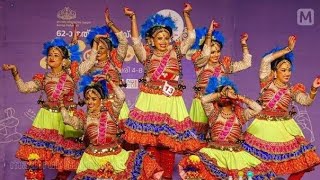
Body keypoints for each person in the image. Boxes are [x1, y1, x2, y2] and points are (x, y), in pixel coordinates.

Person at [2, 31, 99, 179]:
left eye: (56, 54)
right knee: (34, 158)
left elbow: (91, 62)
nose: (51, 57)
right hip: (45, 120)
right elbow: (24, 88)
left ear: (64, 60)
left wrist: (95, 43)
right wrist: (15, 73)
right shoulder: (43, 78)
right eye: (50, 54)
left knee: (64, 162)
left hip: (66, 119)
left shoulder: (73, 74)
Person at [123, 3, 202, 179]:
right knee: (151, 142)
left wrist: (186, 15)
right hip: (150, 101)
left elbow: (191, 36)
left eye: (167, 37)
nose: (164, 41)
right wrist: (133, 19)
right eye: (160, 38)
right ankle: (152, 175)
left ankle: (166, 176)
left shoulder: (176, 52)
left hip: (171, 101)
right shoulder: (146, 55)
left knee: (168, 143)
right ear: (151, 40)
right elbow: (135, 41)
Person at [243, 35, 320, 180]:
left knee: (305, 160)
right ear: (274, 72)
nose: (287, 73)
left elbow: (306, 101)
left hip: (284, 128)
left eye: (289, 70)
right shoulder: (266, 83)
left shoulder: (292, 90)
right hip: (263, 127)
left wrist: (313, 90)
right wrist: (288, 49)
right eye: (283, 70)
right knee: (258, 164)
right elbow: (266, 60)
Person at [61, 74, 163, 180]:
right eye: (87, 99)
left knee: (144, 162)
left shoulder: (111, 112)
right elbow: (67, 120)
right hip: (93, 161)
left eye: (93, 99)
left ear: (101, 99)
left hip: (116, 157)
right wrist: (61, 103)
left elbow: (121, 97)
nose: (90, 102)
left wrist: (110, 81)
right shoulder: (84, 119)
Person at [179, 76, 276, 180]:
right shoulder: (213, 112)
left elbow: (258, 108)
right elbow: (204, 99)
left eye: (230, 92)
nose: (227, 94)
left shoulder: (241, 114)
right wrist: (222, 93)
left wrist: (239, 97)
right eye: (223, 92)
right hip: (213, 153)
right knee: (193, 164)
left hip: (234, 155)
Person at [188, 20, 252, 141]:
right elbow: (205, 54)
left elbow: (246, 63)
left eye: (218, 51)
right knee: (198, 138)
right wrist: (209, 34)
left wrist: (244, 45)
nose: (216, 55)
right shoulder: (200, 64)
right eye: (212, 52)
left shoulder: (224, 65)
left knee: (215, 136)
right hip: (202, 103)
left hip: (219, 105)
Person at [85, 8, 133, 150]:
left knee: (123, 142)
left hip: (116, 106)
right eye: (96, 47)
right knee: (99, 142)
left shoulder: (116, 62)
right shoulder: (89, 68)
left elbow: (123, 42)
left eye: (102, 47)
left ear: (110, 50)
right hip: (97, 108)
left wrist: (110, 24)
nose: (99, 51)